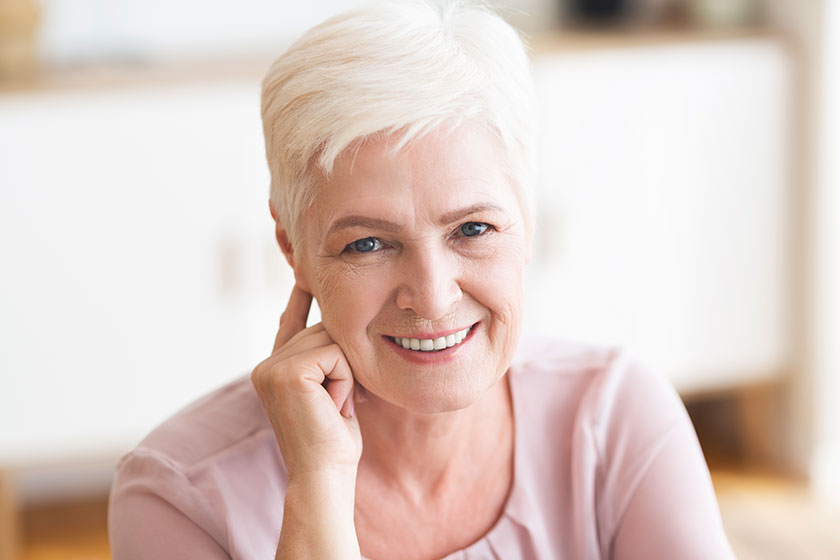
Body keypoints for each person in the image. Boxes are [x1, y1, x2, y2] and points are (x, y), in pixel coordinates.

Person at [108, 1, 736, 558]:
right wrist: (318, 487)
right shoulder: (177, 494)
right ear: (292, 248)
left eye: (472, 230)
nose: (432, 297)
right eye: (369, 243)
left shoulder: (615, 419)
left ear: (529, 221)